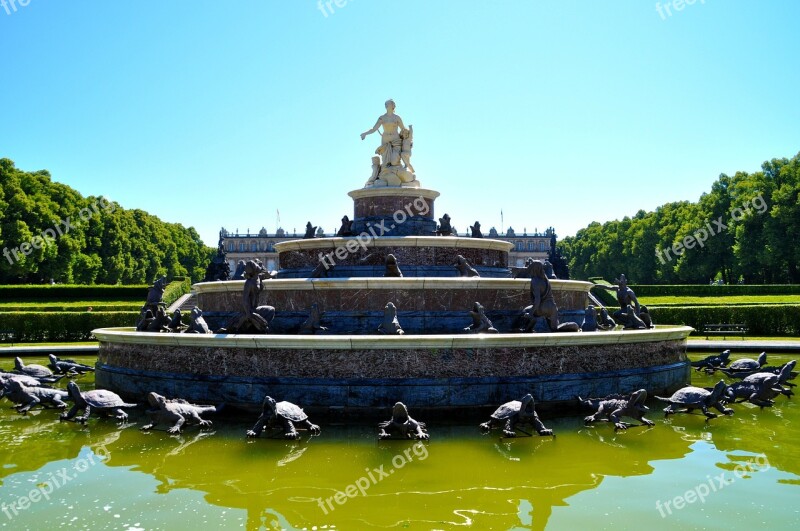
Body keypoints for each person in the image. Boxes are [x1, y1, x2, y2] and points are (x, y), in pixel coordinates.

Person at [361, 99, 408, 169]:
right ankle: (386, 174)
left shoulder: (397, 118)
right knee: (385, 163)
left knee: (395, 161)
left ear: (393, 106)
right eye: (385, 104)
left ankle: (398, 171)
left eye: (387, 104)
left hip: (396, 141)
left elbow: (403, 129)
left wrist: (408, 136)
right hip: (385, 141)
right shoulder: (382, 118)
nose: (386, 105)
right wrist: (365, 133)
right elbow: (374, 129)